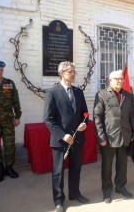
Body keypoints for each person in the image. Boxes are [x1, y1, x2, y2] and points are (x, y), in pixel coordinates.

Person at [44, 61, 90, 212]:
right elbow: (48, 119)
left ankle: (75, 193)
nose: (74, 74)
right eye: (71, 71)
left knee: (76, 168)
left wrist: (85, 124)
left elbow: (85, 114)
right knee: (58, 171)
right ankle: (58, 201)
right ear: (62, 73)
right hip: (60, 140)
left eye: (74, 71)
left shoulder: (78, 92)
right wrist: (63, 135)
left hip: (77, 138)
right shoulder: (52, 92)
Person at [93, 70, 134, 204]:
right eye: (117, 79)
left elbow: (132, 117)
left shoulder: (129, 96)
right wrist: (101, 137)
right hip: (109, 137)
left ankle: (120, 186)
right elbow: (97, 117)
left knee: (122, 164)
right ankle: (107, 190)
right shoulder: (102, 94)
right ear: (110, 80)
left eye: (121, 79)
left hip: (124, 136)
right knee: (107, 166)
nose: (120, 81)